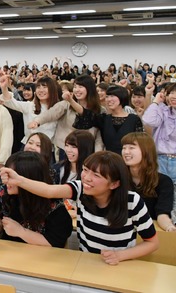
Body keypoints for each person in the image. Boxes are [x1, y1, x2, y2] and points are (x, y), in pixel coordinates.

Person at [0, 151, 158, 264]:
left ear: (115, 183)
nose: (87, 178)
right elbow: (49, 191)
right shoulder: (81, 189)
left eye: (96, 175)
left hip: (120, 264)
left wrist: (120, 256)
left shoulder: (132, 201)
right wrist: (19, 180)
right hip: (85, 262)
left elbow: (152, 243)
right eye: (85, 170)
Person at [0, 152, 72, 248]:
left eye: (11, 176)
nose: (5, 180)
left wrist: (21, 232)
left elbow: (54, 242)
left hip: (42, 258)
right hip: (8, 252)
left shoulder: (53, 204)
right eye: (5, 175)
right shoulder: (2, 193)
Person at [29, 75, 104, 161]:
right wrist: (37, 121)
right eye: (75, 87)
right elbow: (51, 113)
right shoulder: (66, 104)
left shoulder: (100, 110)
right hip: (64, 148)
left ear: (90, 89)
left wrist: (98, 153)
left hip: (86, 150)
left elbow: (99, 134)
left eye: (80, 87)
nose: (77, 90)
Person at [121, 132, 175, 232]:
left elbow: (162, 214)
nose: (126, 152)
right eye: (124, 148)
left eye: (131, 148)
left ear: (146, 151)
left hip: (148, 232)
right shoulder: (117, 178)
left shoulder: (163, 182)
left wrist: (169, 227)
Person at [72, 85, 144, 155]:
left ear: (122, 97)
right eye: (107, 96)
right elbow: (85, 113)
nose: (109, 99)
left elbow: (140, 143)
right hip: (109, 161)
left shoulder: (134, 119)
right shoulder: (104, 119)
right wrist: (70, 100)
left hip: (128, 159)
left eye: (112, 96)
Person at [141, 82, 176, 222]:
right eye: (171, 93)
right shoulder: (163, 110)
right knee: (158, 194)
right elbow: (149, 121)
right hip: (160, 159)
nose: (174, 96)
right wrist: (156, 101)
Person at [0, 75, 59, 149]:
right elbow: (11, 102)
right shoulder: (30, 106)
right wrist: (4, 88)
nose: (41, 90)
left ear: (52, 89)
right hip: (28, 146)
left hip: (46, 148)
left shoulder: (58, 108)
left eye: (44, 87)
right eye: (38, 87)